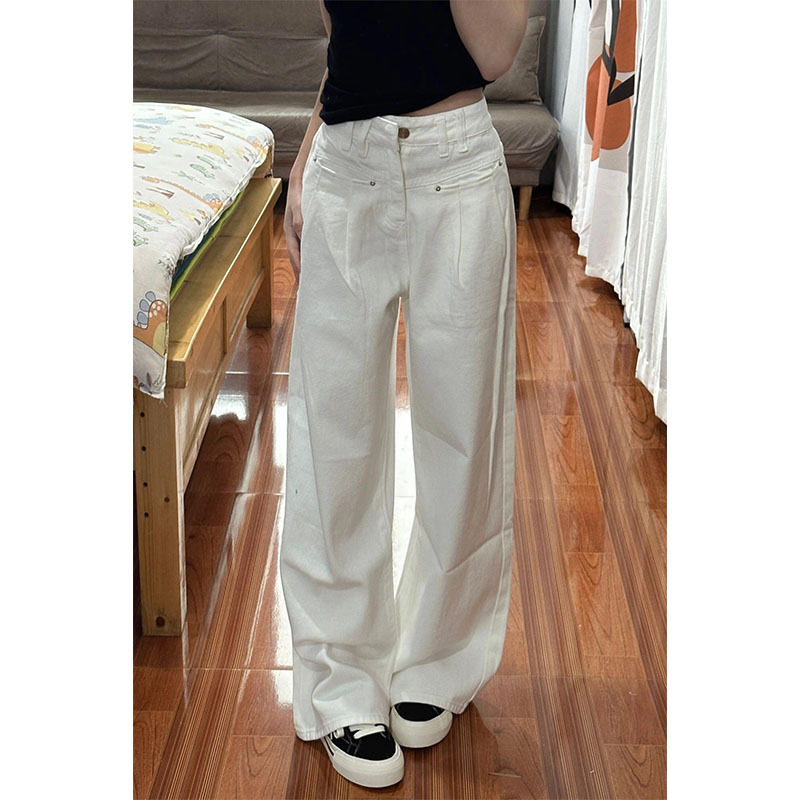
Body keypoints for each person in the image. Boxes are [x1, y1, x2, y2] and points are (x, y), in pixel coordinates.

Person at [280, 0, 528, 789]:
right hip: (345, 162)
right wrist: (305, 154)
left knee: (462, 435)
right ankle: (340, 677)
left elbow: (495, 52)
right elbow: (347, 35)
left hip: (456, 164)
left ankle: (437, 661)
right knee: (333, 437)